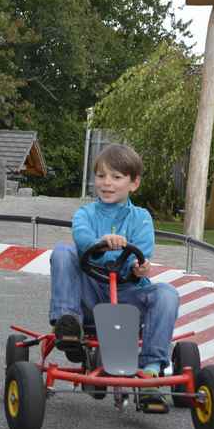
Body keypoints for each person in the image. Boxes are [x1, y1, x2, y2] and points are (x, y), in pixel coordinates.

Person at [48, 143, 180, 412]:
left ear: (134, 183)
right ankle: (68, 323)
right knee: (63, 251)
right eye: (101, 176)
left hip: (127, 295)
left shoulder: (141, 218)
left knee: (167, 293)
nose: (107, 183)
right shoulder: (85, 213)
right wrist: (101, 242)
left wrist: (138, 268)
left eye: (116, 177)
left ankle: (152, 369)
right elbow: (82, 239)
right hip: (89, 296)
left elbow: (140, 254)